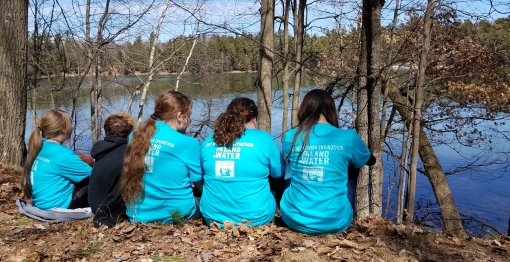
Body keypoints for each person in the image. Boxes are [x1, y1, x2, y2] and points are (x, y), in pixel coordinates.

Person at [280, 89, 375, 235]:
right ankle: (335, 208)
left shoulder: (292, 135)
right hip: (335, 222)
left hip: (293, 218)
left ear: (305, 109)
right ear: (331, 110)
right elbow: (370, 161)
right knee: (353, 164)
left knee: (291, 164)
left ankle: (298, 204)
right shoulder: (348, 137)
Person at [120, 90, 202, 224]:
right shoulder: (189, 144)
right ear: (179, 116)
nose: (190, 120)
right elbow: (199, 186)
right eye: (189, 115)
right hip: (177, 215)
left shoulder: (134, 136)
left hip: (138, 215)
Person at [200, 97, 285, 227]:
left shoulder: (209, 139)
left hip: (212, 217)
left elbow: (201, 176)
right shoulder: (264, 139)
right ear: (254, 119)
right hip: (256, 218)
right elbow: (279, 174)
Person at [21, 109, 92, 210]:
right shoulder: (63, 154)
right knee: (101, 180)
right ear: (63, 128)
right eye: (70, 124)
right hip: (59, 205)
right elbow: (95, 175)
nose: (72, 128)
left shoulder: (41, 147)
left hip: (41, 202)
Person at [88, 112, 136, 228]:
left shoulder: (102, 150)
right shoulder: (126, 154)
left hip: (95, 203)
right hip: (110, 211)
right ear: (130, 133)